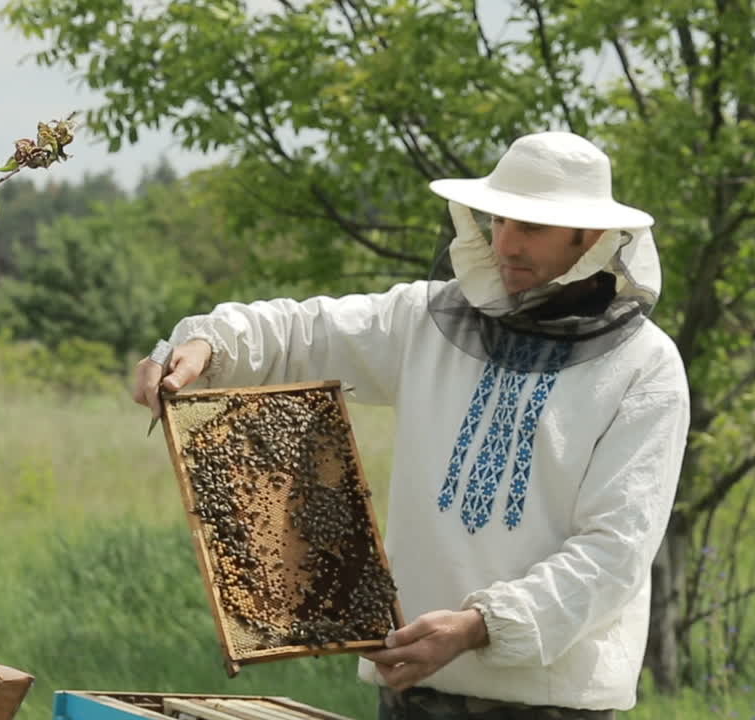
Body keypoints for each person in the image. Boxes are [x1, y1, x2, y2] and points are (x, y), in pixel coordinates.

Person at [132, 132, 690, 719]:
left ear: (593, 239)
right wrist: (202, 343)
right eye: (498, 220)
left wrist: (481, 627)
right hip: (412, 690)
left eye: (532, 227)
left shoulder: (644, 368)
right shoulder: (426, 321)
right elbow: (304, 332)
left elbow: (615, 552)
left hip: (552, 704)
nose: (506, 243)